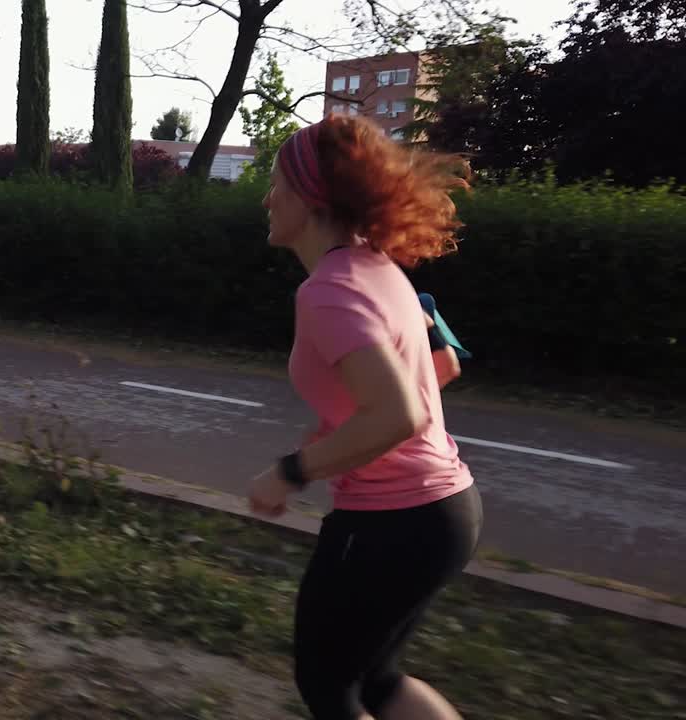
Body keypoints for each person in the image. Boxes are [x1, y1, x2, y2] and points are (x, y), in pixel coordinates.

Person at [248, 115, 483, 720]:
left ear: (309, 196)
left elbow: (398, 413)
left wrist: (293, 471)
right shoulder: (379, 267)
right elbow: (443, 365)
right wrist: (337, 431)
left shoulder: (327, 290)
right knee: (375, 679)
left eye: (277, 184)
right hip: (446, 511)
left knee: (330, 687)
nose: (268, 199)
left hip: (393, 523)